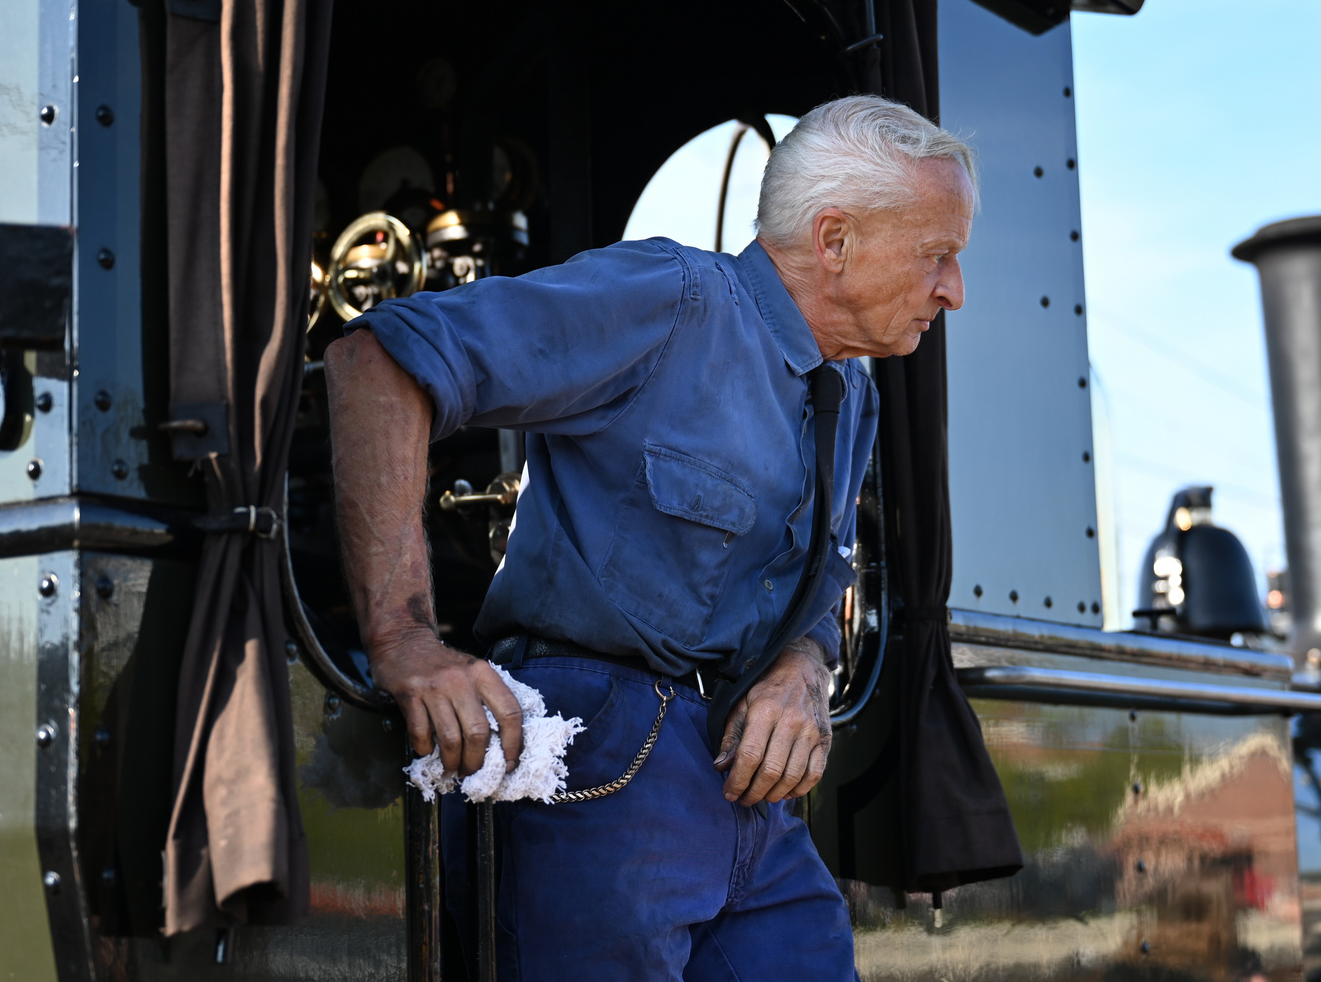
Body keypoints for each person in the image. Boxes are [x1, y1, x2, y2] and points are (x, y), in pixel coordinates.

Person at [324, 93, 974, 980]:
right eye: (937, 256)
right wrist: (404, 641)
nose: (954, 291)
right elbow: (379, 360)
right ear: (834, 241)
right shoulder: (671, 300)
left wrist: (802, 673)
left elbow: (818, 594)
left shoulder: (849, 391)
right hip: (601, 760)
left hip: (746, 789)